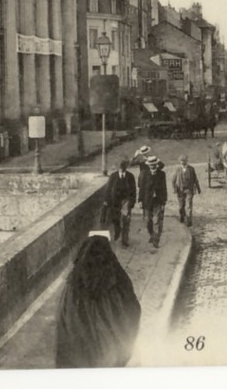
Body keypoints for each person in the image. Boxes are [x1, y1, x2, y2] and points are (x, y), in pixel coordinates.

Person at [55, 232, 141, 368]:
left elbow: (64, 320)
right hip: (108, 355)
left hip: (80, 357)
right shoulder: (117, 280)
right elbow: (132, 310)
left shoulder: (73, 285)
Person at [107, 160, 136, 247]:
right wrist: (107, 201)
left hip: (126, 201)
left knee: (126, 220)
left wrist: (132, 202)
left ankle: (124, 240)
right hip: (115, 202)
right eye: (120, 169)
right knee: (115, 219)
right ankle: (117, 230)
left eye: (123, 168)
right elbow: (108, 190)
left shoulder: (130, 176)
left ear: (125, 168)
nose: (122, 170)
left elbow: (133, 190)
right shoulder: (113, 176)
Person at [144, 157, 168, 248]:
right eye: (151, 164)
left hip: (158, 200)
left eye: (154, 164)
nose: (152, 166)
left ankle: (156, 240)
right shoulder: (145, 174)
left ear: (156, 164)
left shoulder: (162, 174)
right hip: (147, 201)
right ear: (148, 165)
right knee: (147, 221)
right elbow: (142, 188)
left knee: (157, 221)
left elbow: (164, 188)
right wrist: (141, 201)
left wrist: (164, 200)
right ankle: (152, 234)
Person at [173, 154, 201, 226]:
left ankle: (189, 221)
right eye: (181, 161)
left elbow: (195, 179)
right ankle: (182, 217)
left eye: (184, 161)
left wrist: (198, 188)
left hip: (189, 189)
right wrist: (174, 188)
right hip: (180, 189)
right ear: (179, 162)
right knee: (181, 206)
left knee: (189, 205)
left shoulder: (191, 169)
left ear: (187, 161)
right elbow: (173, 180)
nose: (183, 162)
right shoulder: (177, 169)